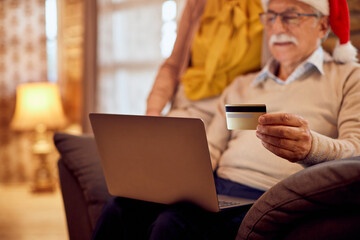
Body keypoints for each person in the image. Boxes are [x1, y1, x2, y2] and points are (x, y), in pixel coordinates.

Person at [93, 0, 360, 239]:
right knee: (120, 206)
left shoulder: (348, 78)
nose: (278, 26)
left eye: (291, 16)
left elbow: (355, 150)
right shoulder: (243, 86)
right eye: (270, 16)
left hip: (272, 195)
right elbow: (213, 146)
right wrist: (169, 178)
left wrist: (311, 147)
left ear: (323, 26)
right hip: (218, 192)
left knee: (172, 224)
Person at [146, 0, 266, 128]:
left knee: (246, 145)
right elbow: (173, 64)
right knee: (169, 142)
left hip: (243, 106)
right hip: (194, 105)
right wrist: (153, 109)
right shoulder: (197, 3)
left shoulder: (270, 7)